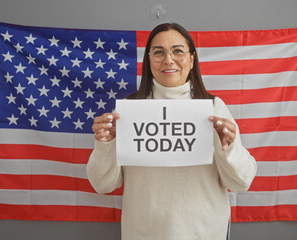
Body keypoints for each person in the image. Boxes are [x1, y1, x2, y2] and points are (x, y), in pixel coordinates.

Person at [87, 23, 257, 240]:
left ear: (192, 59)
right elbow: (102, 185)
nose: (168, 60)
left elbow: (241, 183)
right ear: (149, 60)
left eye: (178, 51)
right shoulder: (129, 110)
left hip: (206, 233)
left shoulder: (214, 107)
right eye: (159, 52)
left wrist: (229, 148)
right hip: (143, 234)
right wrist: (105, 146)